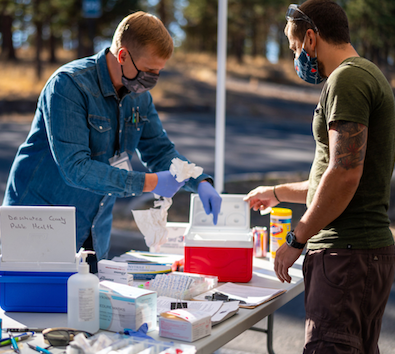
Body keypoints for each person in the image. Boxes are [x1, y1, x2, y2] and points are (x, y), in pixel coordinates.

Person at [3, 11, 222, 271]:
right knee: (36, 308)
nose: (153, 79)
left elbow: (159, 151)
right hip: (40, 224)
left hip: (94, 228)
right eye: (149, 71)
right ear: (123, 56)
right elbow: (76, 169)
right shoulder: (68, 86)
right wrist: (149, 182)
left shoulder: (138, 96)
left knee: (87, 306)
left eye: (159, 71)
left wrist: (199, 181)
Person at [244, 1, 395, 352]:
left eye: (295, 47)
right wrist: (278, 192)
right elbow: (334, 175)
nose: (296, 56)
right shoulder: (367, 74)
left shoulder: (348, 79)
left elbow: (344, 174)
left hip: (345, 255)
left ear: (311, 38)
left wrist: (296, 240)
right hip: (360, 256)